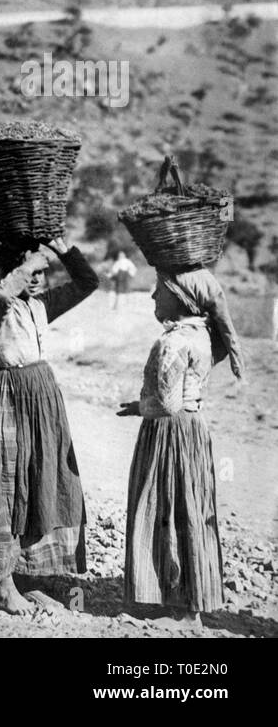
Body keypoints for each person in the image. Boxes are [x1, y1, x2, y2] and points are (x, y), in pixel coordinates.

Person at [0, 237, 99, 614]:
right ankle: (2, 584)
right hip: (9, 396)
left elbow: (89, 283)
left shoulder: (40, 307)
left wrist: (67, 250)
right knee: (5, 483)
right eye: (29, 272)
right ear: (7, 273)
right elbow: (2, 297)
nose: (37, 279)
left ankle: (26, 575)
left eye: (41, 272)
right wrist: (24, 267)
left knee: (42, 479)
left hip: (43, 397)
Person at [121, 268, 244, 628]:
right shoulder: (204, 336)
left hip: (169, 434)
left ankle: (183, 609)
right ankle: (187, 601)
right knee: (188, 509)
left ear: (180, 298)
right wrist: (143, 404)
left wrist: (141, 406)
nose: (153, 297)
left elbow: (168, 403)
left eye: (160, 290)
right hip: (194, 430)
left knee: (163, 505)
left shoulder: (172, 342)